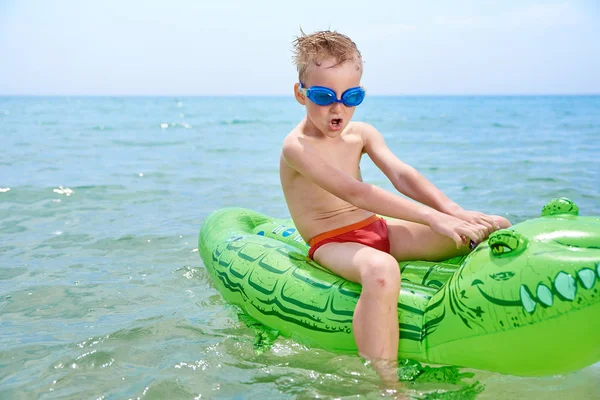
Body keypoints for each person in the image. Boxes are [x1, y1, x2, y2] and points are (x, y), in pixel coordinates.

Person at [279, 30, 511, 382]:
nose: (338, 107)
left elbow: (402, 175)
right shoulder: (296, 148)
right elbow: (356, 192)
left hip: (378, 228)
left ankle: (500, 324)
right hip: (334, 242)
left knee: (496, 226)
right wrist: (431, 218)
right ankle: (386, 382)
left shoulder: (362, 134)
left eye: (351, 95)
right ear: (301, 94)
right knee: (382, 270)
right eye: (324, 96)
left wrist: (455, 213)